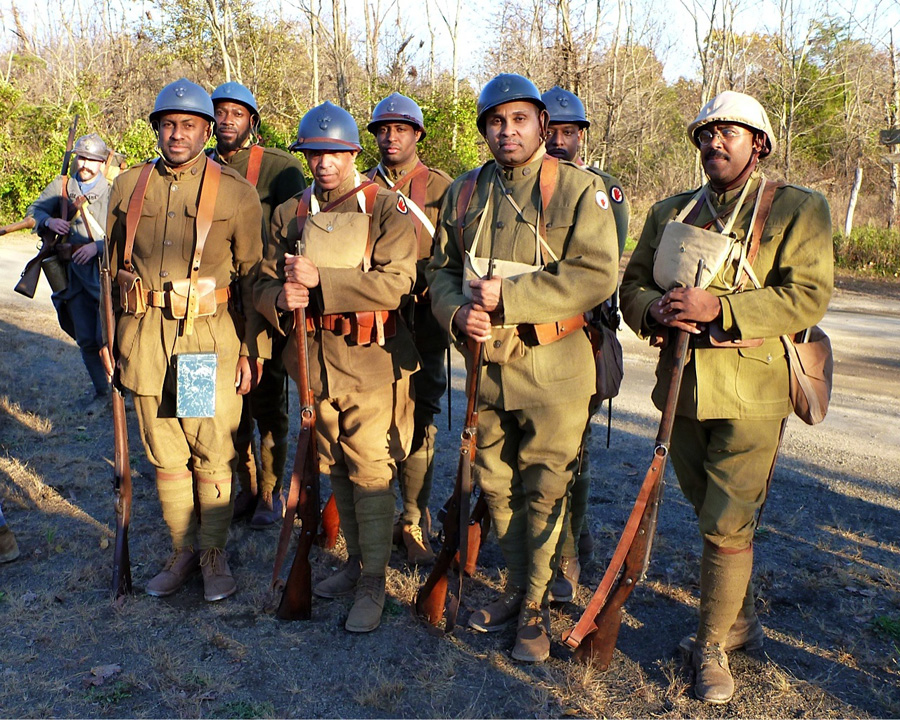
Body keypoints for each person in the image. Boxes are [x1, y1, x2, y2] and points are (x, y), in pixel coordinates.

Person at [619, 90, 833, 703]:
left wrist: (721, 307)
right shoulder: (671, 212)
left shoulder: (798, 209)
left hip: (753, 389)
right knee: (704, 502)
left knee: (727, 518)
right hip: (680, 390)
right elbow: (632, 286)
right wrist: (653, 309)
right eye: (706, 135)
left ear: (758, 144)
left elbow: (808, 296)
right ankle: (736, 618)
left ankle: (711, 648)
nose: (714, 144)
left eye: (729, 134)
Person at [427, 74, 619, 662]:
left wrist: (508, 301)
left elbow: (595, 273)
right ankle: (516, 592)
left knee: (544, 488)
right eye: (494, 122)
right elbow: (439, 271)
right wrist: (457, 315)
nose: (506, 132)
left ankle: (533, 609)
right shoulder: (462, 194)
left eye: (518, 120)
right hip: (486, 367)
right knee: (498, 485)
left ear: (540, 123)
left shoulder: (582, 191)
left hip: (555, 365)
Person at [254, 102, 419, 633]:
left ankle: (374, 581)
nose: (323, 164)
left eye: (334, 153)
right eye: (313, 154)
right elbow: (258, 279)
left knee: (370, 467)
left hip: (371, 362)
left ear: (353, 153)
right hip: (311, 359)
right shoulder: (289, 213)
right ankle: (355, 564)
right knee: (337, 467)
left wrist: (321, 277)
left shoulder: (387, 208)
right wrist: (280, 298)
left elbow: (397, 283)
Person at [107, 78, 269, 602]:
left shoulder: (235, 193)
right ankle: (182, 550)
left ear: (207, 130)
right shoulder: (129, 186)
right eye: (169, 124)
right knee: (165, 450)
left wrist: (251, 350)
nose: (178, 135)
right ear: (157, 128)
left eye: (190, 126)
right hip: (145, 340)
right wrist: (109, 340)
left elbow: (252, 281)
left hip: (200, 342)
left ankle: (213, 553)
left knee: (207, 446)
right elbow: (109, 274)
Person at [541, 86, 631, 603]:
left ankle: (568, 552)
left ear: (582, 136)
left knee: (572, 449)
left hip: (583, 331)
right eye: (550, 132)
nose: (557, 142)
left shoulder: (602, 190)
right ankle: (568, 540)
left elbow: (594, 263)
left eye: (567, 133)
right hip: (528, 331)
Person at [209, 81, 308, 528]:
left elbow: (300, 230)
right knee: (220, 401)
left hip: (261, 295)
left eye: (237, 112)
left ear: (252, 120)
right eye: (221, 112)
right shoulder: (201, 167)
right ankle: (238, 486)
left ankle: (269, 491)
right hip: (213, 302)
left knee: (267, 399)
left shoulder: (279, 168)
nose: (227, 120)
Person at [363, 92, 452, 564]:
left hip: (422, 320)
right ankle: (370, 509)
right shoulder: (358, 188)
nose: (391, 136)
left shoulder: (442, 188)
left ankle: (413, 517)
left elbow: (456, 254)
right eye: (383, 128)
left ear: (417, 134)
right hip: (369, 322)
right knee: (370, 415)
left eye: (401, 128)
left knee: (420, 416)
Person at [27, 133, 113, 407]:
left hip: (103, 274)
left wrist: (98, 248)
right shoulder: (62, 186)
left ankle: (121, 393)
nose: (85, 164)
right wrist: (49, 222)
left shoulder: (114, 191)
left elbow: (125, 234)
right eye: (82, 157)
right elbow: (34, 212)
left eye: (92, 159)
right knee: (86, 337)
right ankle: (101, 393)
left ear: (102, 163)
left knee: (110, 338)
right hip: (71, 274)